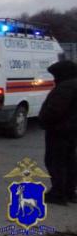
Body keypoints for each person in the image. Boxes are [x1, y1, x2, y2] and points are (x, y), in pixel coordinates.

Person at [38, 60, 77, 205]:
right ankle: (69, 191)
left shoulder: (66, 87)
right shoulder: (72, 84)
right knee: (69, 161)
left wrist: (43, 120)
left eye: (55, 75)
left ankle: (58, 193)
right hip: (70, 130)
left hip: (60, 130)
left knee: (56, 162)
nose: (54, 78)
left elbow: (54, 110)